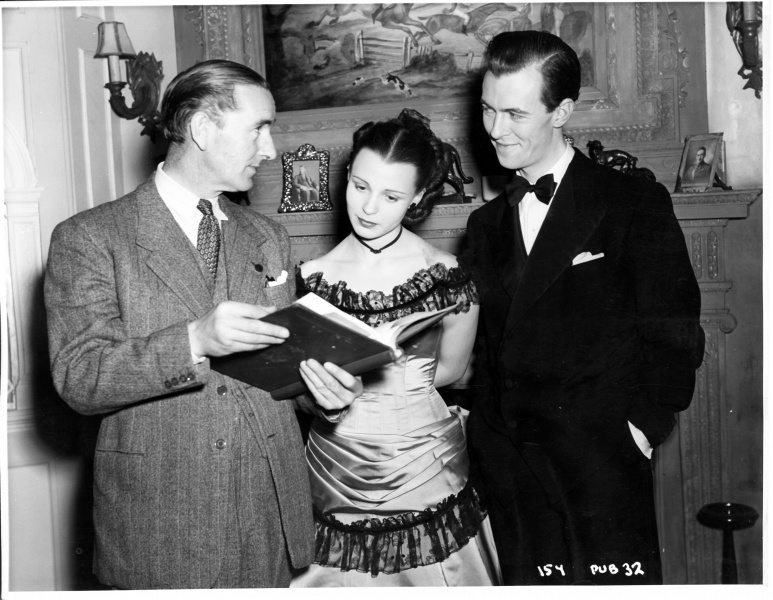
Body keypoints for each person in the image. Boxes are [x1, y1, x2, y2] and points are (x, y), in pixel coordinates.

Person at [44, 59, 361, 589]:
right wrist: (194, 340)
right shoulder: (91, 237)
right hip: (159, 525)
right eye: (259, 128)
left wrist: (321, 394)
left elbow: (280, 371)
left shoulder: (268, 237)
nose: (270, 150)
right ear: (201, 129)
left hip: (265, 519)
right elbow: (81, 377)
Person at [464, 31, 705, 585]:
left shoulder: (631, 201)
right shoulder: (483, 226)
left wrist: (640, 430)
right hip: (511, 469)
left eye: (515, 114)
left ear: (562, 112)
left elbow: (675, 333)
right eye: (487, 110)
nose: (496, 129)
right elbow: (487, 352)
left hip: (601, 460)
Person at [290, 109, 502, 587]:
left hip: (425, 468)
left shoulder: (447, 274)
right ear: (347, 175)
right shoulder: (310, 278)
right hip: (334, 465)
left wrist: (396, 385)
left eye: (391, 196)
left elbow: (451, 370)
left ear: (418, 197)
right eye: (360, 186)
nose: (368, 208)